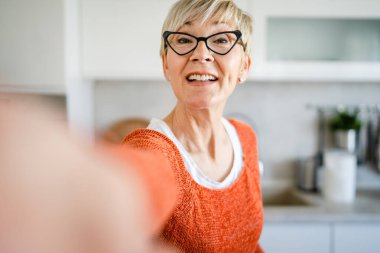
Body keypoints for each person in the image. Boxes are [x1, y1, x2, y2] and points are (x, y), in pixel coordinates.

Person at [123, 0, 264, 252]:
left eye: (221, 40)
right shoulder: (150, 151)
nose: (201, 54)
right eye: (184, 40)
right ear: (166, 63)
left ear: (244, 66)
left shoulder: (245, 138)